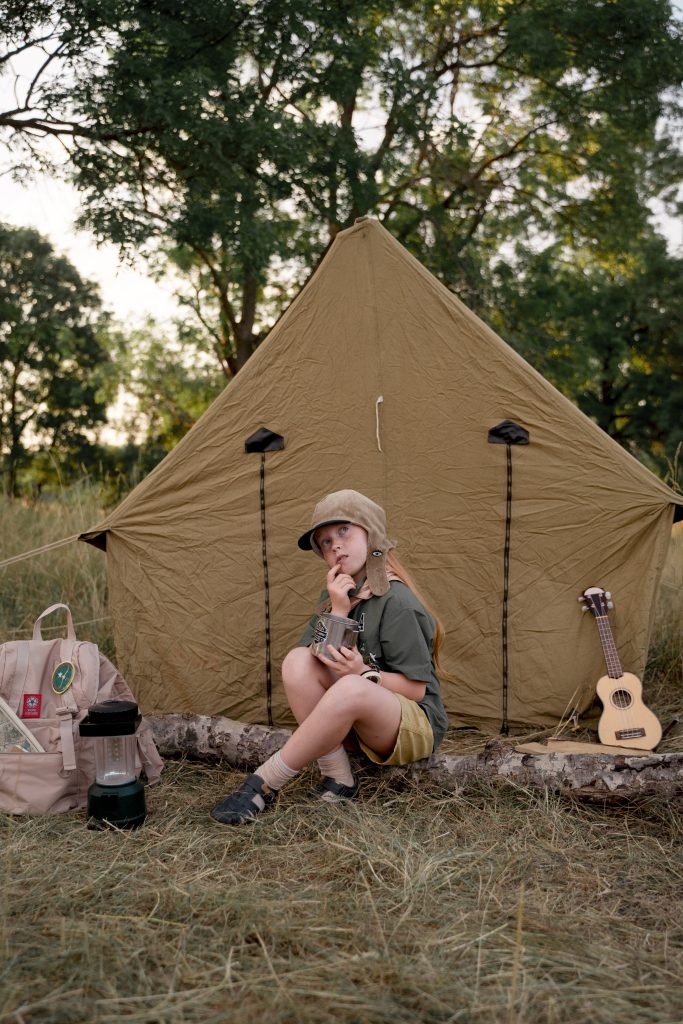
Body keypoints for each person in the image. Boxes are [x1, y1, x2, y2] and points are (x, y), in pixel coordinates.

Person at [210, 489, 448, 825]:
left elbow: (416, 690)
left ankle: (264, 782)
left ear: (373, 534)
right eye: (324, 542)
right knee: (297, 661)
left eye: (343, 531)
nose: (334, 545)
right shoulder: (338, 594)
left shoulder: (398, 603)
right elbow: (316, 660)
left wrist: (365, 673)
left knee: (352, 686)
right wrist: (339, 608)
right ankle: (339, 777)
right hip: (362, 719)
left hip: (411, 727)